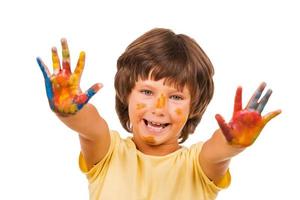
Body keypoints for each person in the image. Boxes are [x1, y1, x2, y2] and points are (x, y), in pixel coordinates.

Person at [36, 28, 281, 200]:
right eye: (146, 91)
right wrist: (68, 111)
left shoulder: (198, 166)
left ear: (193, 106)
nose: (159, 107)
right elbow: (89, 124)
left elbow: (219, 150)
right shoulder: (107, 153)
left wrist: (233, 142)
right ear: (126, 94)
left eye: (176, 97)